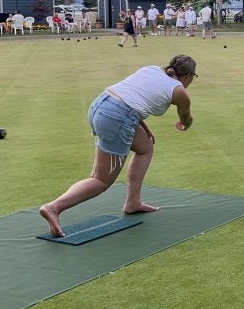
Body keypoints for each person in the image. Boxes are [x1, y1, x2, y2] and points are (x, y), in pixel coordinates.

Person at [39, 55, 197, 237]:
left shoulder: (151, 69)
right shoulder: (179, 92)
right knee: (101, 180)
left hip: (101, 105)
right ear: (189, 75)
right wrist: (185, 124)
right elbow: (185, 118)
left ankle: (133, 202)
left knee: (145, 147)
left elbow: (132, 97)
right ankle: (54, 208)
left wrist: (141, 126)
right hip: (116, 118)